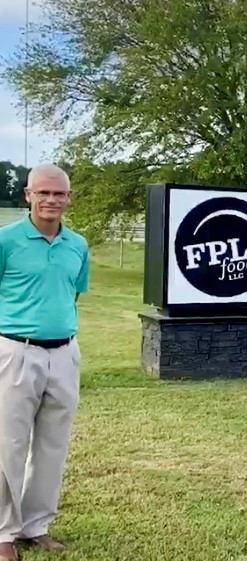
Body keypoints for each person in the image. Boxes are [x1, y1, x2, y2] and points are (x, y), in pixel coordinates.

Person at [0, 164, 90, 560]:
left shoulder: (78, 245)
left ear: (68, 198)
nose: (51, 200)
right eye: (43, 193)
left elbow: (73, 294)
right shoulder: (6, 241)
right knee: (9, 445)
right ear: (28, 195)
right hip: (16, 352)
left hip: (64, 354)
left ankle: (36, 525)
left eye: (59, 194)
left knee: (53, 446)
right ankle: (4, 532)